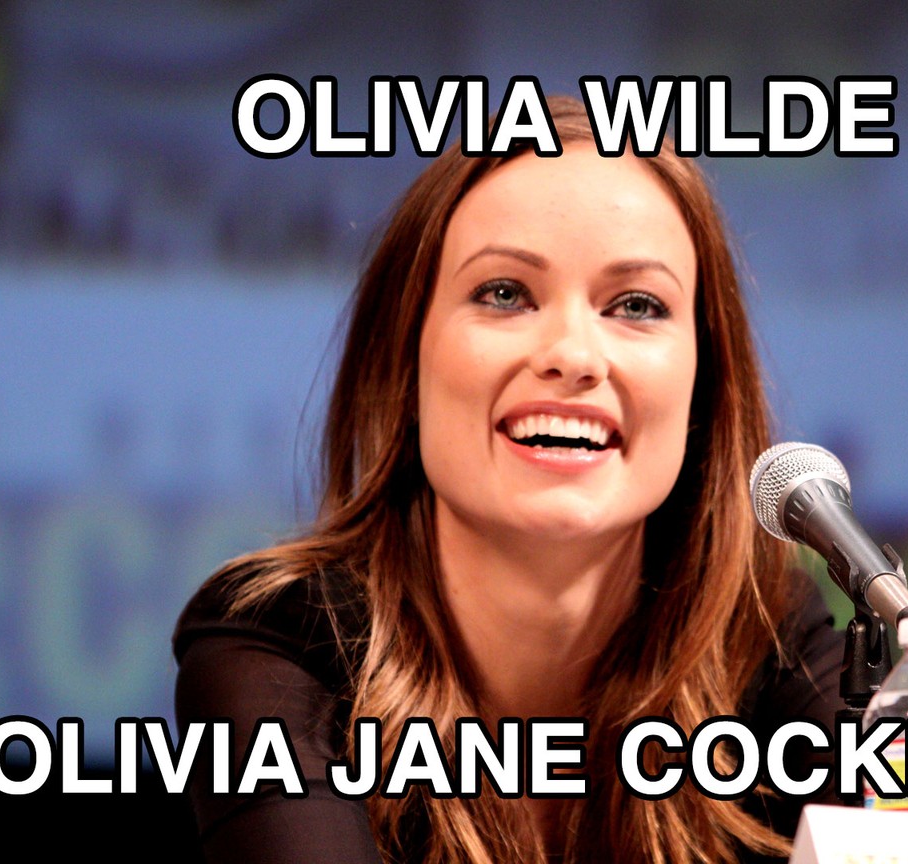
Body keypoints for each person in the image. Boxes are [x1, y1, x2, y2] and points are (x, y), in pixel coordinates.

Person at [173, 96, 846, 864]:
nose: (573, 355)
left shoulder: (767, 636)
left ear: (704, 384)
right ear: (406, 359)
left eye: (637, 305)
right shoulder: (282, 644)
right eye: (503, 294)